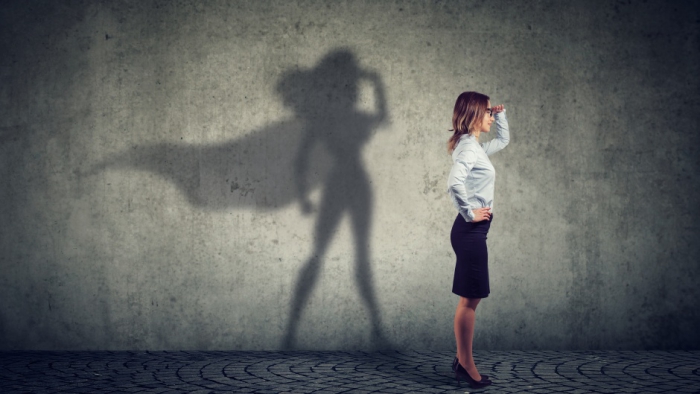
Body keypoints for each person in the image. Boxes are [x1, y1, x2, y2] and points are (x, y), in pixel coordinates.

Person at [446, 91, 509, 388]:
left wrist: (502, 116)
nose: (490, 117)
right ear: (472, 114)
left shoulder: (474, 146)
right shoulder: (470, 149)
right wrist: (470, 213)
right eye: (486, 112)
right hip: (470, 231)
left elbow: (504, 141)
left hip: (472, 232)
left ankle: (462, 359)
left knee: (470, 299)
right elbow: (454, 183)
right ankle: (466, 365)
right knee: (470, 302)